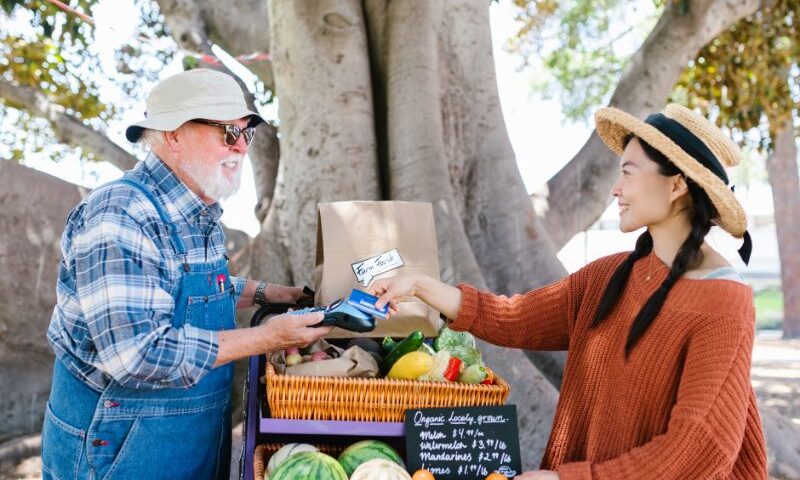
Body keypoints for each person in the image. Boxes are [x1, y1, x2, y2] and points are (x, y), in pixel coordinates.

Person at [370, 104, 768, 479]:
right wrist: (420, 285)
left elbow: (699, 448)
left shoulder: (723, 301)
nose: (615, 188)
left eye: (628, 172)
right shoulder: (610, 276)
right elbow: (517, 317)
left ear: (677, 184)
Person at [42, 69, 332, 480]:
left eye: (246, 135)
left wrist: (277, 294)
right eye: (228, 133)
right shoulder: (120, 214)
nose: (241, 149)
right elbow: (137, 355)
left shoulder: (199, 208)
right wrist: (270, 337)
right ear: (173, 135)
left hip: (188, 442)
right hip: (118, 451)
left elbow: (196, 289)